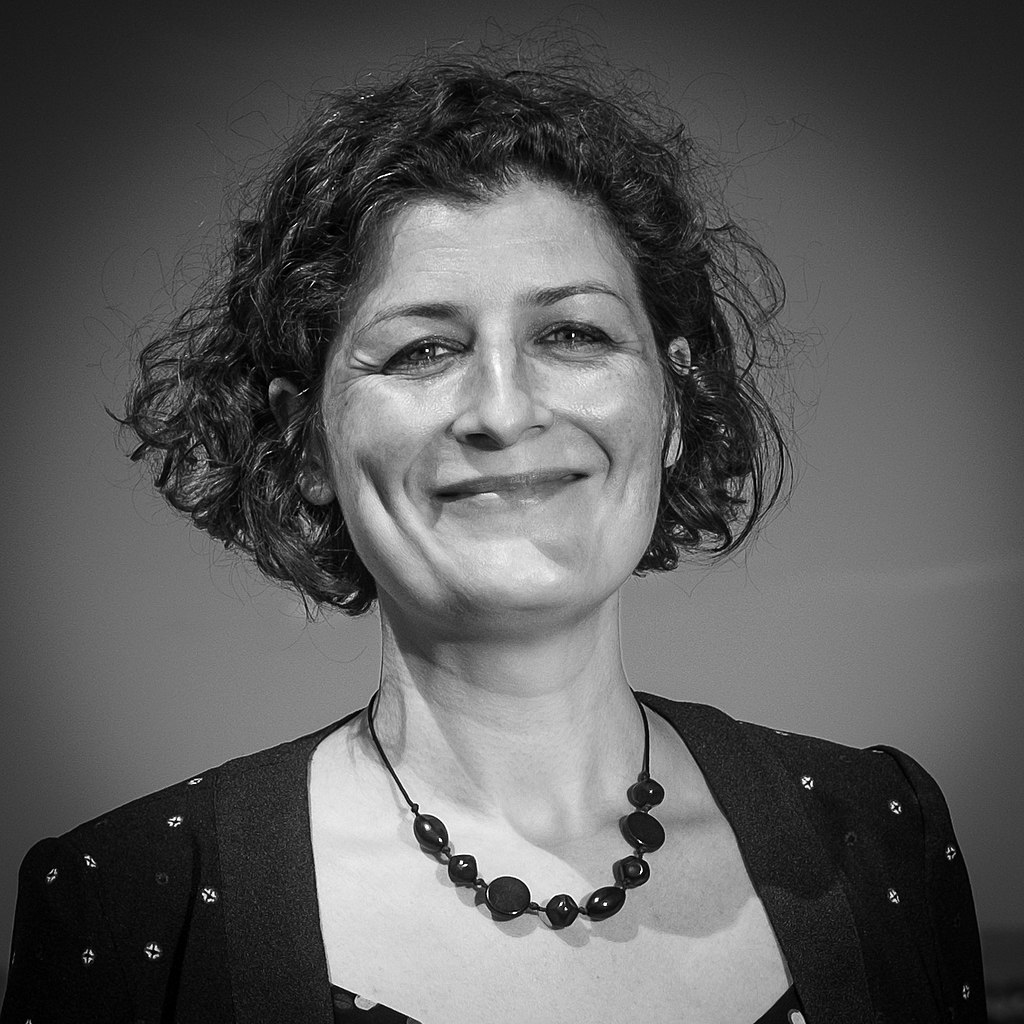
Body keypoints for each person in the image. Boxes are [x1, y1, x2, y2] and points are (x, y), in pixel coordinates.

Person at [2, 48, 985, 1024]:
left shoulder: (880, 830)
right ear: (306, 443)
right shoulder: (131, 899)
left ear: (674, 406)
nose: (505, 411)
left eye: (574, 334)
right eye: (422, 349)